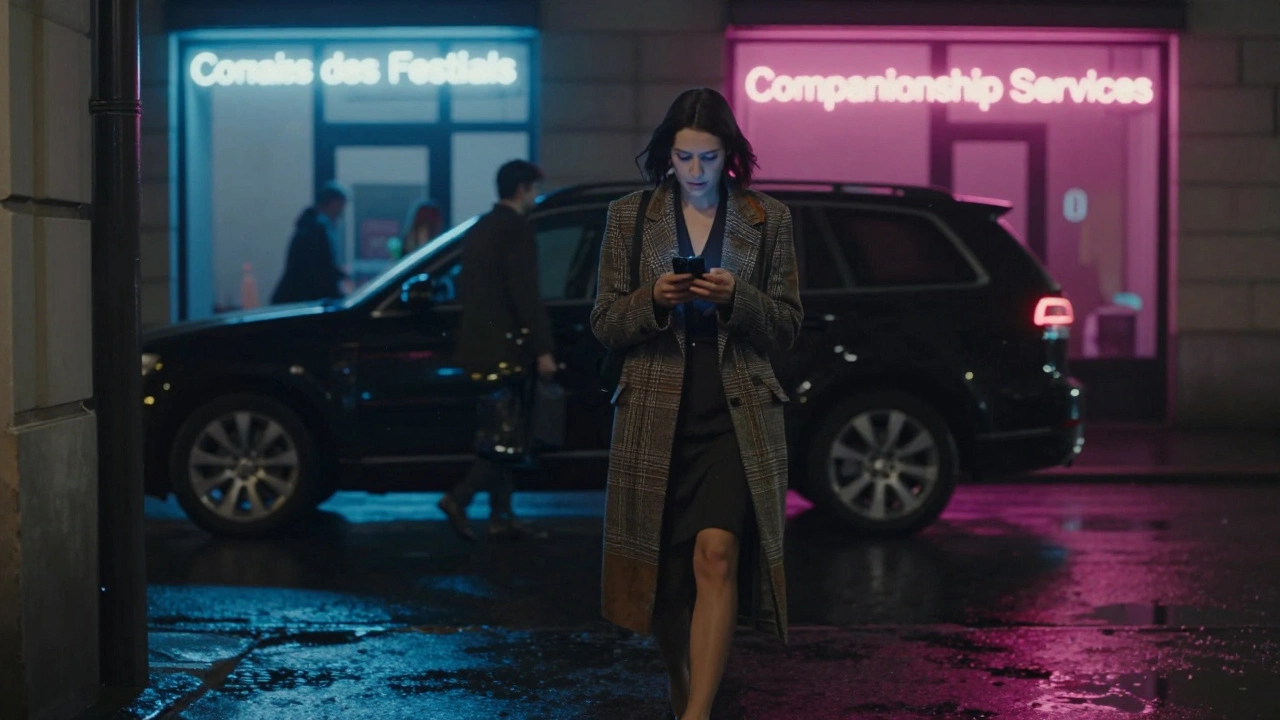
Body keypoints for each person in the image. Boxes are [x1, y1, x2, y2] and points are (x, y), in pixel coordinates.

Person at [590, 88, 802, 720]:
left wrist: (740, 296)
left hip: (736, 407)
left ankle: (696, 714)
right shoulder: (631, 217)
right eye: (685, 158)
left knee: (717, 555)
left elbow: (789, 326)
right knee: (665, 583)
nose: (697, 172)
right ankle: (684, 690)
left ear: (729, 155)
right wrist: (655, 298)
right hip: (656, 406)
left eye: (709, 157)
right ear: (667, 156)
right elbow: (603, 322)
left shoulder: (768, 220)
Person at [438, 160, 557, 542]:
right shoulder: (516, 230)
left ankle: (501, 515)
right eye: (535, 189)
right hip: (509, 348)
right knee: (507, 433)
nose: (536, 196)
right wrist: (542, 348)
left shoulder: (482, 228)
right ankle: (461, 497)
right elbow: (526, 294)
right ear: (522, 188)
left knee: (502, 430)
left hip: (479, 347)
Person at [271, 182, 349, 304]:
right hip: (301, 300)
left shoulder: (311, 226)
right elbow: (318, 269)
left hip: (296, 297)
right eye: (341, 207)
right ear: (334, 203)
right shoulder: (316, 229)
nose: (341, 213)